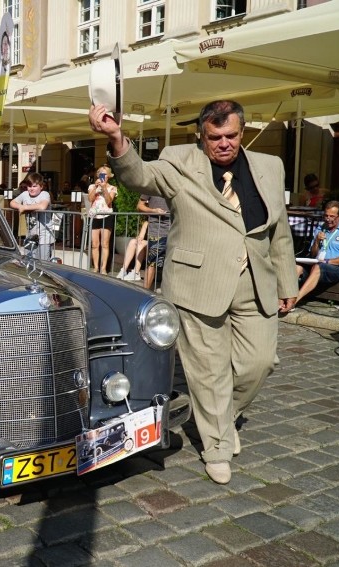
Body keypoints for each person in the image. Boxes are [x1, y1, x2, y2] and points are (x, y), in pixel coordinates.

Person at [89, 99, 298, 485]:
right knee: (208, 371)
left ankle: (218, 416)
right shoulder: (178, 160)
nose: (224, 144)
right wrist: (117, 138)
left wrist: (288, 282)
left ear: (243, 132)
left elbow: (279, 233)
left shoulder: (270, 167)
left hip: (256, 283)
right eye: (214, 137)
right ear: (201, 135)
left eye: (231, 135)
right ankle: (217, 445)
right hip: (197, 283)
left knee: (260, 362)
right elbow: (139, 176)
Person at [295, 201, 339, 304]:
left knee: (318, 267)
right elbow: (313, 254)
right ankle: (285, 298)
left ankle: (294, 300)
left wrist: (327, 261)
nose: (328, 219)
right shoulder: (321, 228)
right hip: (320, 264)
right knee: (297, 267)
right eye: (326, 215)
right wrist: (316, 240)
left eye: (332, 216)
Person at [9, 172, 54, 260]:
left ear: (41, 187)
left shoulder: (44, 194)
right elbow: (12, 203)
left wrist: (25, 207)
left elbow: (42, 206)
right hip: (30, 235)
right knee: (29, 262)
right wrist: (20, 206)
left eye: (34, 186)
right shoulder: (25, 194)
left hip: (44, 236)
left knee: (43, 263)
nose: (31, 189)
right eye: (29, 186)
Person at [84, 165, 117, 274]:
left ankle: (103, 268)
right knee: (94, 244)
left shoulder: (112, 188)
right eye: (100, 174)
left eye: (104, 174)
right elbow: (90, 199)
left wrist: (103, 188)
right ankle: (95, 267)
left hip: (106, 215)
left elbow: (109, 201)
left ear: (108, 176)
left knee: (105, 243)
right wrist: (95, 188)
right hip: (94, 216)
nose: (102, 176)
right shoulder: (92, 186)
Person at [138, 194, 170, 290]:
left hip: (175, 230)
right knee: (152, 263)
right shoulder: (150, 186)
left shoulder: (176, 183)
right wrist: (153, 211)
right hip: (156, 230)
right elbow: (139, 206)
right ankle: (145, 294)